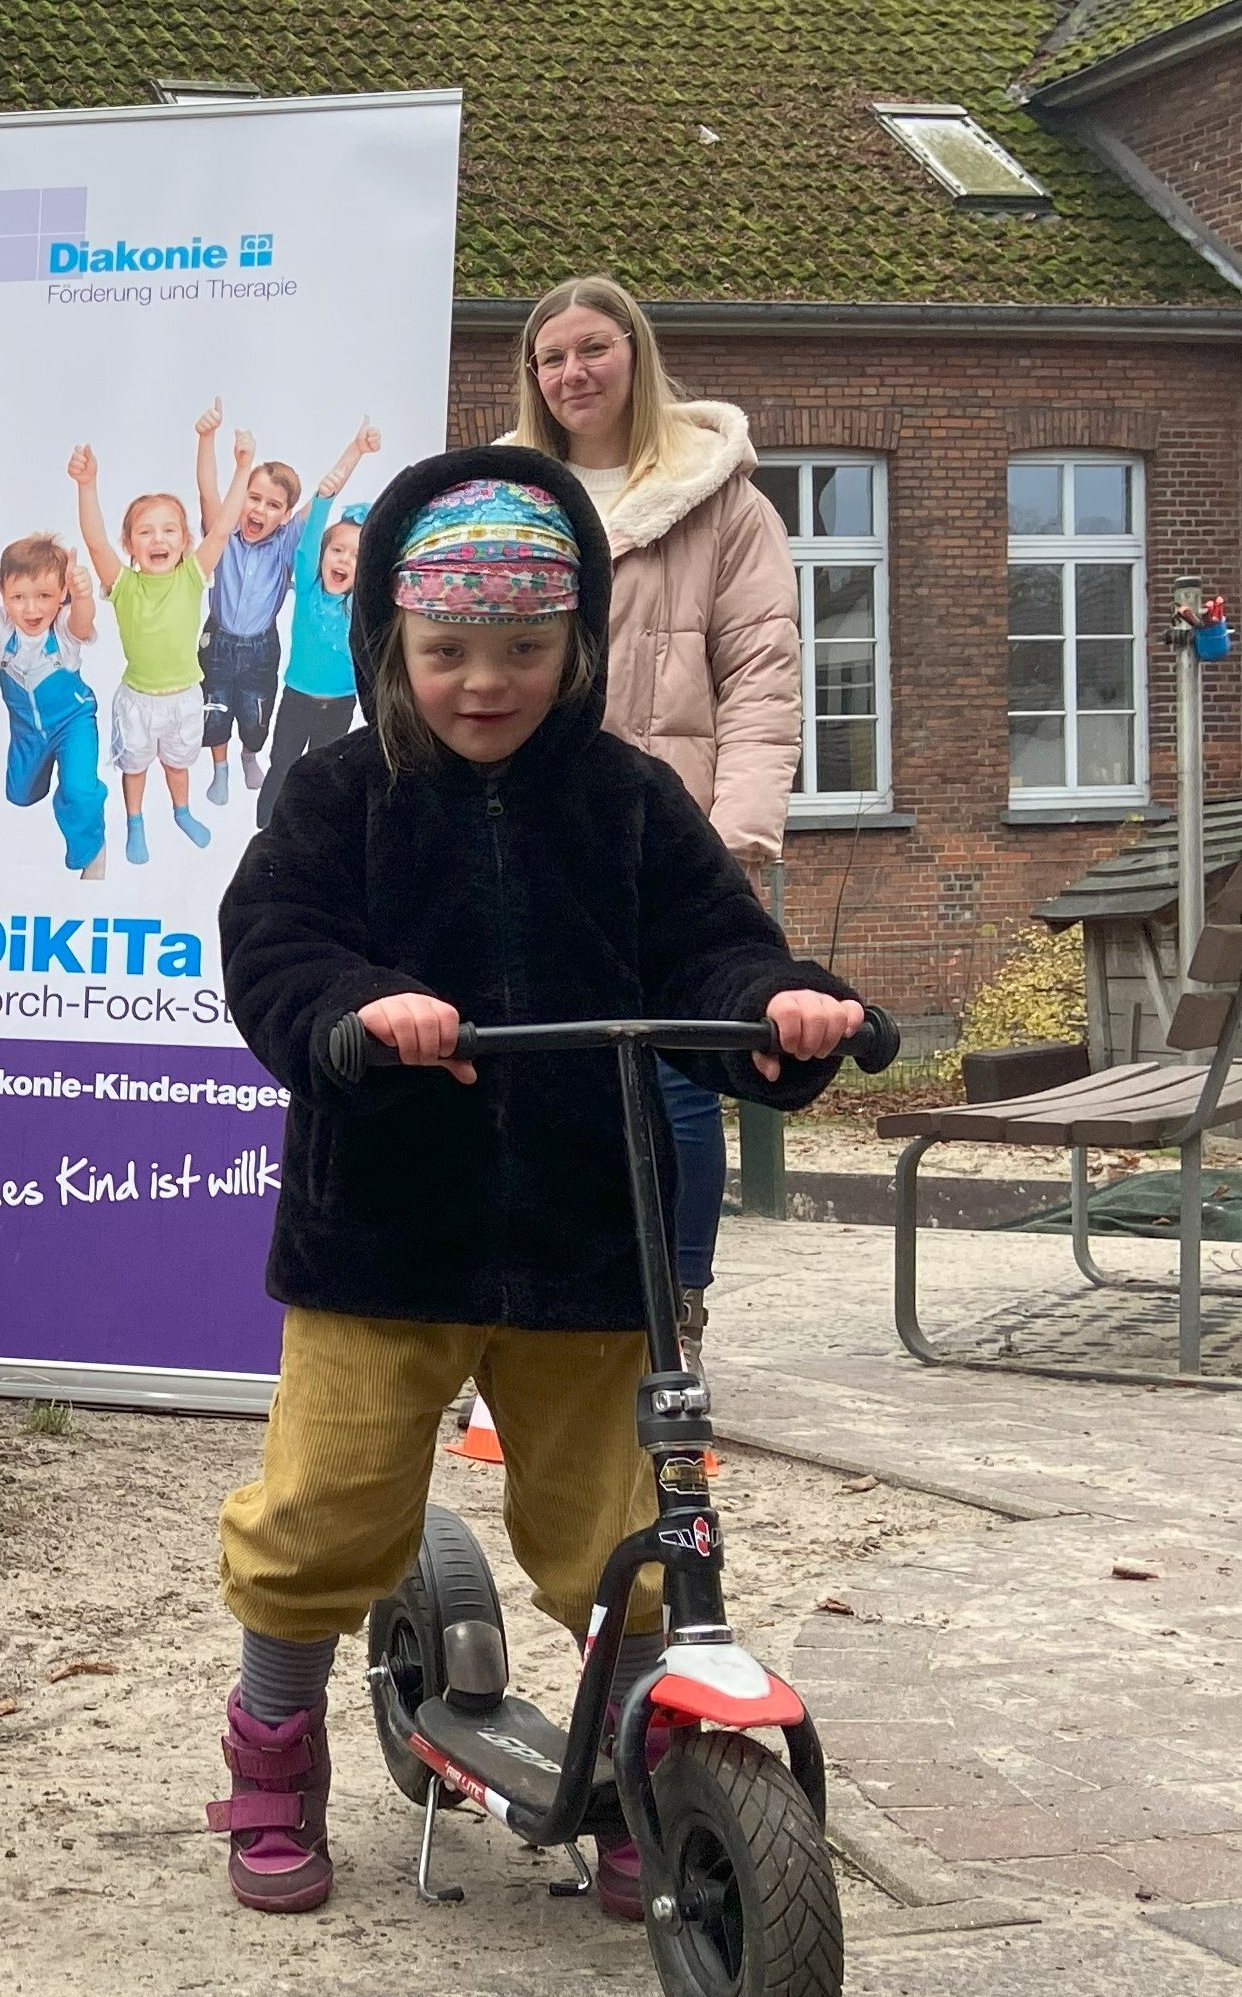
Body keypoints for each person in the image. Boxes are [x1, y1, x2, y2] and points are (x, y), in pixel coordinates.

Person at [209, 450, 868, 1916]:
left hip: (587, 1231)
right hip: (385, 1234)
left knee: (624, 1529)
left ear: (573, 645)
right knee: (321, 1512)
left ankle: (644, 1764)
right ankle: (273, 1747)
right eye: (448, 650)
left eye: (521, 648)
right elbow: (272, 946)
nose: (484, 682)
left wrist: (771, 1007)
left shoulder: (624, 798)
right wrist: (357, 1007)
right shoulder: (338, 794)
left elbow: (707, 945)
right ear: (392, 639)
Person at [509, 274, 801, 1351]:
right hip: (531, 830)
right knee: (539, 1067)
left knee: (677, 1076)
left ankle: (672, 1309)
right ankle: (546, 1306)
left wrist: (734, 837)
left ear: (636, 354)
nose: (573, 372)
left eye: (593, 348)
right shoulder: (507, 496)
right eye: (551, 357)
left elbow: (762, 675)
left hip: (668, 835)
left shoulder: (722, 502)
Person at [196, 408, 378, 808]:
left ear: (286, 516)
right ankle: (220, 768)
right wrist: (208, 440)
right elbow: (208, 493)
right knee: (215, 711)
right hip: (218, 639)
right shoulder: (222, 534)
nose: (260, 510)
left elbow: (324, 496)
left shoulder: (286, 544)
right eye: (253, 498)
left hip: (261, 647)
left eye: (273, 505)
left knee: (256, 719)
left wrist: (356, 449)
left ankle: (249, 754)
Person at [69, 443, 225, 861]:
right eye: (145, 531)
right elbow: (96, 543)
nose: (158, 538)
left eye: (170, 530)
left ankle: (182, 812)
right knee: (134, 768)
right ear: (130, 544)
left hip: (184, 699)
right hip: (138, 701)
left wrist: (243, 467)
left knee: (178, 765)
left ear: (185, 540)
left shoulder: (192, 576)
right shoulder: (124, 586)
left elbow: (222, 531)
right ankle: (135, 822)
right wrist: (87, 485)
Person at [0, 532, 106, 878]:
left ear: (61, 594)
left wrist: (82, 596)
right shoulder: (1, 628)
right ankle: (54, 784)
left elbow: (82, 623)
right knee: (21, 795)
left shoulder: (63, 627)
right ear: (3, 593)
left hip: (73, 721)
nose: (31, 609)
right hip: (27, 732)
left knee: (79, 789)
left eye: (44, 596)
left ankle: (91, 848)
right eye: (18, 597)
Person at [255, 503, 369, 830]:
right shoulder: (308, 588)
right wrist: (324, 499)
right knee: (283, 764)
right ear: (322, 554)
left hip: (340, 704)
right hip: (297, 700)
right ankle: (266, 826)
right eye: (337, 550)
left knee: (321, 771)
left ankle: (306, 829)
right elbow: (305, 548)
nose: (344, 560)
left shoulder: (361, 604)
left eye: (357, 556)